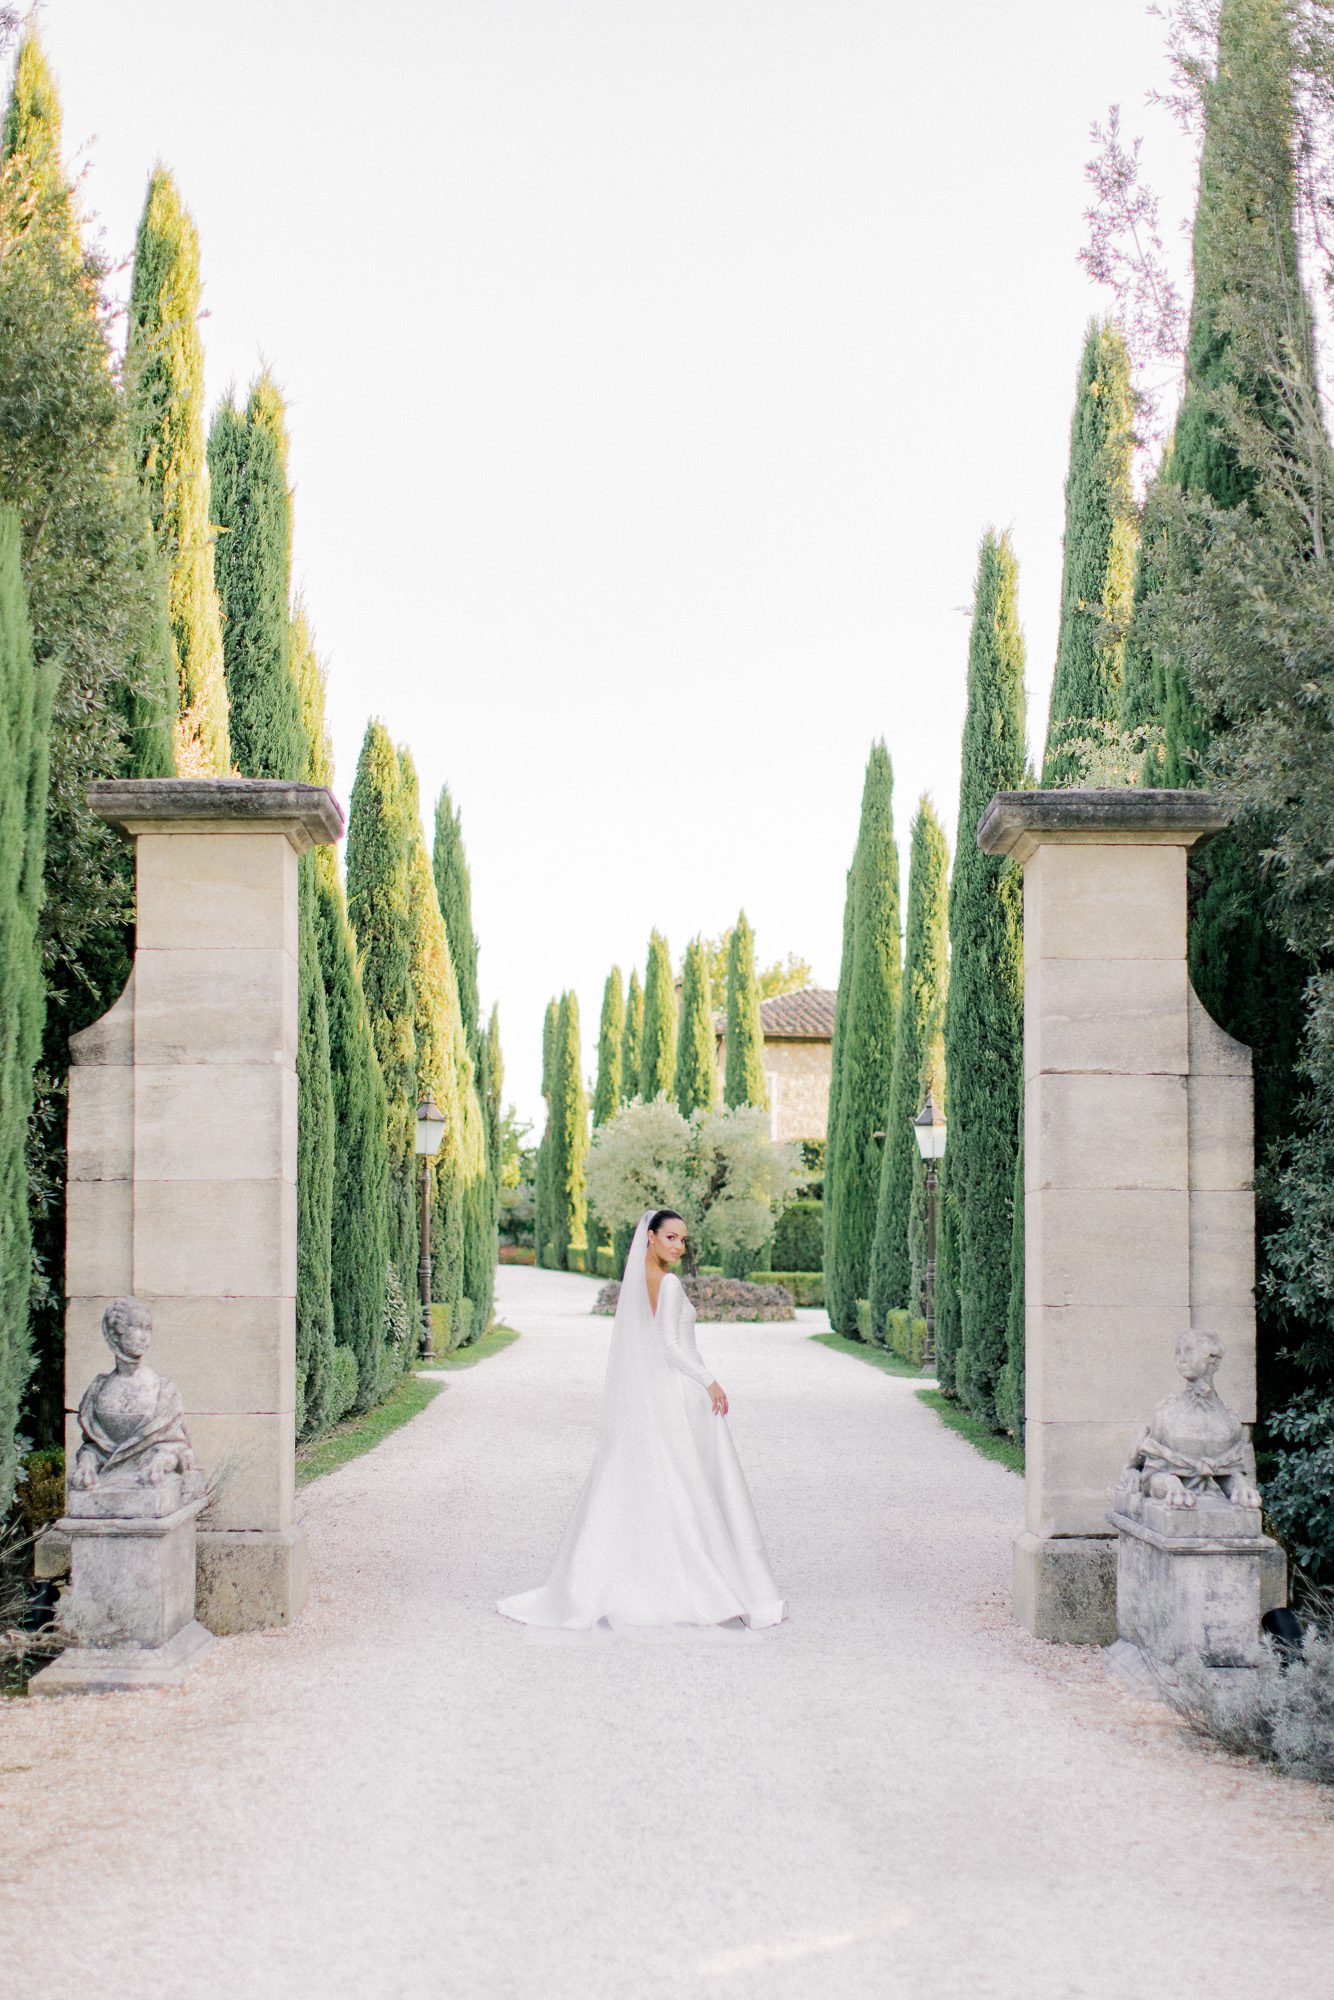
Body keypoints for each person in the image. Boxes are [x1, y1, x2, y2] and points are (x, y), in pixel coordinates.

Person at [498, 1208, 786, 1630]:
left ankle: (631, 1580)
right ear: (650, 1237)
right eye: (671, 1237)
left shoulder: (642, 1282)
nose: (679, 1246)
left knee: (658, 1482)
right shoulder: (667, 1283)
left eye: (683, 1240)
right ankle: (697, 1586)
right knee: (687, 1483)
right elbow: (670, 1345)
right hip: (679, 1390)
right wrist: (710, 1382)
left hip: (659, 1392)